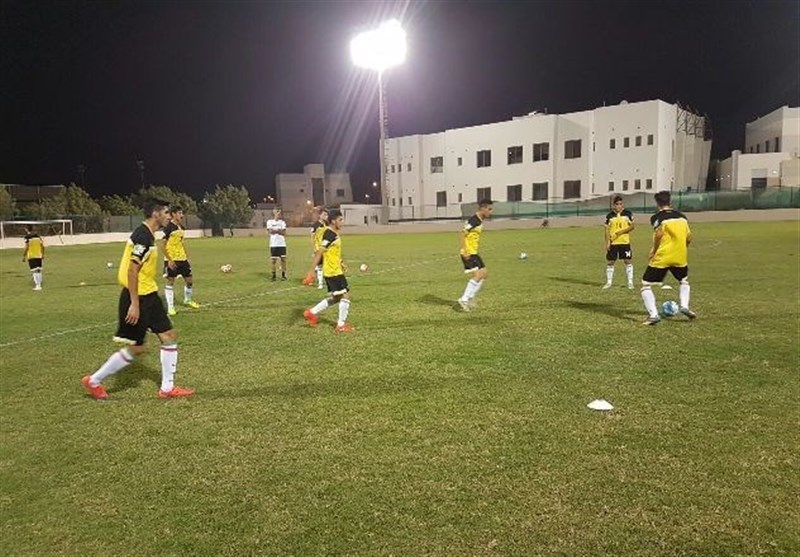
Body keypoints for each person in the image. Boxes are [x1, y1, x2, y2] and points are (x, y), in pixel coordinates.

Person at [82, 199, 194, 399]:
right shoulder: (143, 236)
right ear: (155, 214)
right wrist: (134, 304)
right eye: (166, 213)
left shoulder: (148, 235)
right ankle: (94, 380)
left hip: (148, 295)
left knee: (166, 336)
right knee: (139, 346)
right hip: (139, 298)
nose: (169, 217)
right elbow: (132, 270)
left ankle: (167, 388)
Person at [640, 190, 697, 325]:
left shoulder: (657, 218)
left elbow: (659, 235)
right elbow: (689, 237)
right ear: (670, 201)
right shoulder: (682, 217)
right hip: (680, 255)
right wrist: (683, 248)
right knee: (683, 281)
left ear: (657, 203)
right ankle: (685, 306)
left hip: (663, 256)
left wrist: (653, 250)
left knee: (646, 284)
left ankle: (654, 315)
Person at [303, 209, 354, 332]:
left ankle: (311, 313)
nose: (342, 222)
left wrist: (341, 262)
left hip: (335, 269)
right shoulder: (330, 234)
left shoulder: (332, 233)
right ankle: (340, 325)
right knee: (345, 296)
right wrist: (311, 271)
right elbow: (320, 252)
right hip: (332, 271)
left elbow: (332, 252)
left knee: (337, 298)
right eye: (340, 220)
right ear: (333, 221)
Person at [159, 206, 200, 316]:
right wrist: (169, 260)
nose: (182, 215)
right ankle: (171, 307)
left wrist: (186, 256)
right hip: (172, 259)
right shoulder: (168, 227)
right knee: (170, 282)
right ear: (173, 214)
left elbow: (181, 243)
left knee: (189, 281)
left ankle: (188, 299)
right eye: (179, 213)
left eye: (182, 213)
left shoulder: (181, 227)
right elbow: (162, 245)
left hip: (182, 258)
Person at [457, 199, 493, 311]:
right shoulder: (474, 220)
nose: (491, 212)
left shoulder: (479, 220)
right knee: (478, 275)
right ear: (483, 208)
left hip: (474, 252)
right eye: (489, 209)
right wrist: (464, 250)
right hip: (469, 252)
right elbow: (462, 233)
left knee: (484, 273)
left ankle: (469, 298)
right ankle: (464, 299)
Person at [603, 195, 635, 289]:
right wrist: (607, 242)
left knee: (627, 261)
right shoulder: (609, 216)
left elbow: (632, 226)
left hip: (624, 242)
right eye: (617, 204)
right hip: (613, 243)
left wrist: (621, 232)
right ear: (614, 205)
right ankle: (609, 282)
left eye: (620, 204)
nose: (619, 206)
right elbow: (606, 230)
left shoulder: (627, 213)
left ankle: (630, 282)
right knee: (611, 262)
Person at [266, 208, 288, 281]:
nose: (279, 214)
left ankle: (283, 275)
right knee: (273, 260)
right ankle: (273, 276)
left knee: (283, 260)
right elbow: (270, 231)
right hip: (273, 244)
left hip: (282, 244)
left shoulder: (282, 222)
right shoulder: (269, 222)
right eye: (277, 212)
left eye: (280, 213)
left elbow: (284, 233)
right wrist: (279, 230)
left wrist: (275, 230)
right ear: (274, 213)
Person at [309, 207, 328, 288]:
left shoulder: (326, 225)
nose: (326, 216)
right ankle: (320, 283)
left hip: (326, 248)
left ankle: (324, 279)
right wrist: (314, 248)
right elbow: (312, 237)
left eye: (326, 215)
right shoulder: (315, 225)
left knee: (326, 265)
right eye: (324, 214)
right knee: (320, 266)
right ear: (320, 215)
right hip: (318, 248)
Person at [22, 224, 45, 291]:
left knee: (34, 271)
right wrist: (43, 254)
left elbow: (27, 247)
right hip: (39, 255)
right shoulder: (38, 236)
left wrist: (24, 256)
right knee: (39, 270)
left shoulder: (27, 237)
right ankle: (39, 284)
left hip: (32, 256)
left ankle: (38, 285)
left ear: (26, 229)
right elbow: (42, 246)